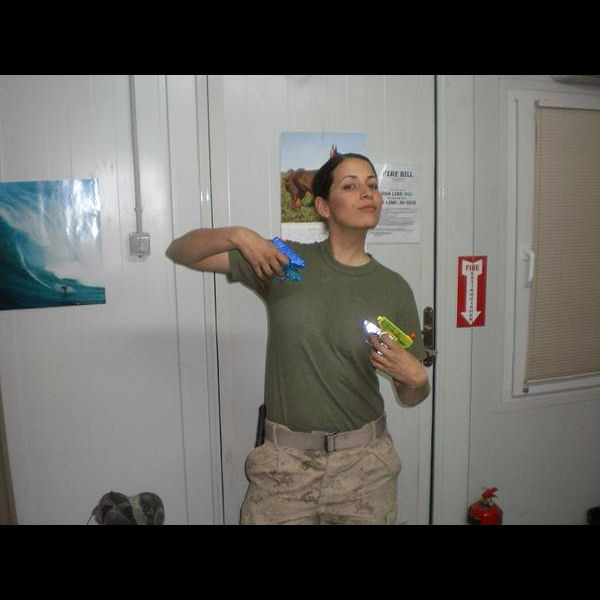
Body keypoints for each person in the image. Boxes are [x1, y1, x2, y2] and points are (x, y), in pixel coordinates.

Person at [165, 152, 430, 525]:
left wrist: (416, 380)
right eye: (350, 185)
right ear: (323, 206)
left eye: (372, 185)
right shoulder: (283, 262)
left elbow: (411, 395)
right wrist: (238, 235)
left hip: (365, 469)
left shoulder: (393, 288)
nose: (367, 192)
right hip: (283, 467)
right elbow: (181, 252)